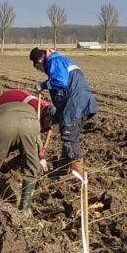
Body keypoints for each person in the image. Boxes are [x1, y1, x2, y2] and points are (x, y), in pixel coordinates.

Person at [0, 89, 55, 216]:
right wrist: (39, 158)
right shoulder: (36, 112)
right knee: (31, 170)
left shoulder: (1, 108)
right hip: (30, 126)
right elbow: (37, 144)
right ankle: (25, 210)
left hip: (3, 123)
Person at [30, 47, 99, 178]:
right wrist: (56, 117)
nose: (41, 71)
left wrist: (43, 85)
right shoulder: (60, 61)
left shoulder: (53, 62)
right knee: (67, 134)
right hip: (79, 103)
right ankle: (62, 169)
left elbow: (60, 82)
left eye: (38, 68)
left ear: (40, 61)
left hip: (76, 104)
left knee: (69, 136)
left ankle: (76, 174)